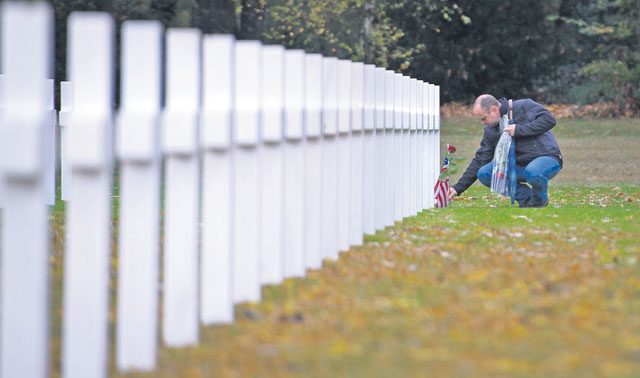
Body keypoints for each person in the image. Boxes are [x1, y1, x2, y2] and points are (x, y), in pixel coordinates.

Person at [448, 94, 562, 207]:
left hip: (547, 158)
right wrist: (458, 188)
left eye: (483, 118)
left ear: (494, 110)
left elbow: (549, 120)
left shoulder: (523, 106)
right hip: (519, 166)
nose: (482, 123)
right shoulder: (491, 130)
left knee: (533, 171)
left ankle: (539, 202)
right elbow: (480, 159)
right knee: (485, 173)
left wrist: (519, 130)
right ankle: (528, 199)